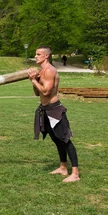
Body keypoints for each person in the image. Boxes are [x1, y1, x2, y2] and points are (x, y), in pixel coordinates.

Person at [28, 46, 80, 183]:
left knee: (65, 139)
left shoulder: (50, 71)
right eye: (35, 54)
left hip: (55, 110)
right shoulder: (42, 71)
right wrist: (33, 81)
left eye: (38, 54)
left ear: (46, 56)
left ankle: (75, 173)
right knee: (56, 139)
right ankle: (63, 167)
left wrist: (34, 80)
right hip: (45, 109)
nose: (36, 56)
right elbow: (37, 93)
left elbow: (46, 92)